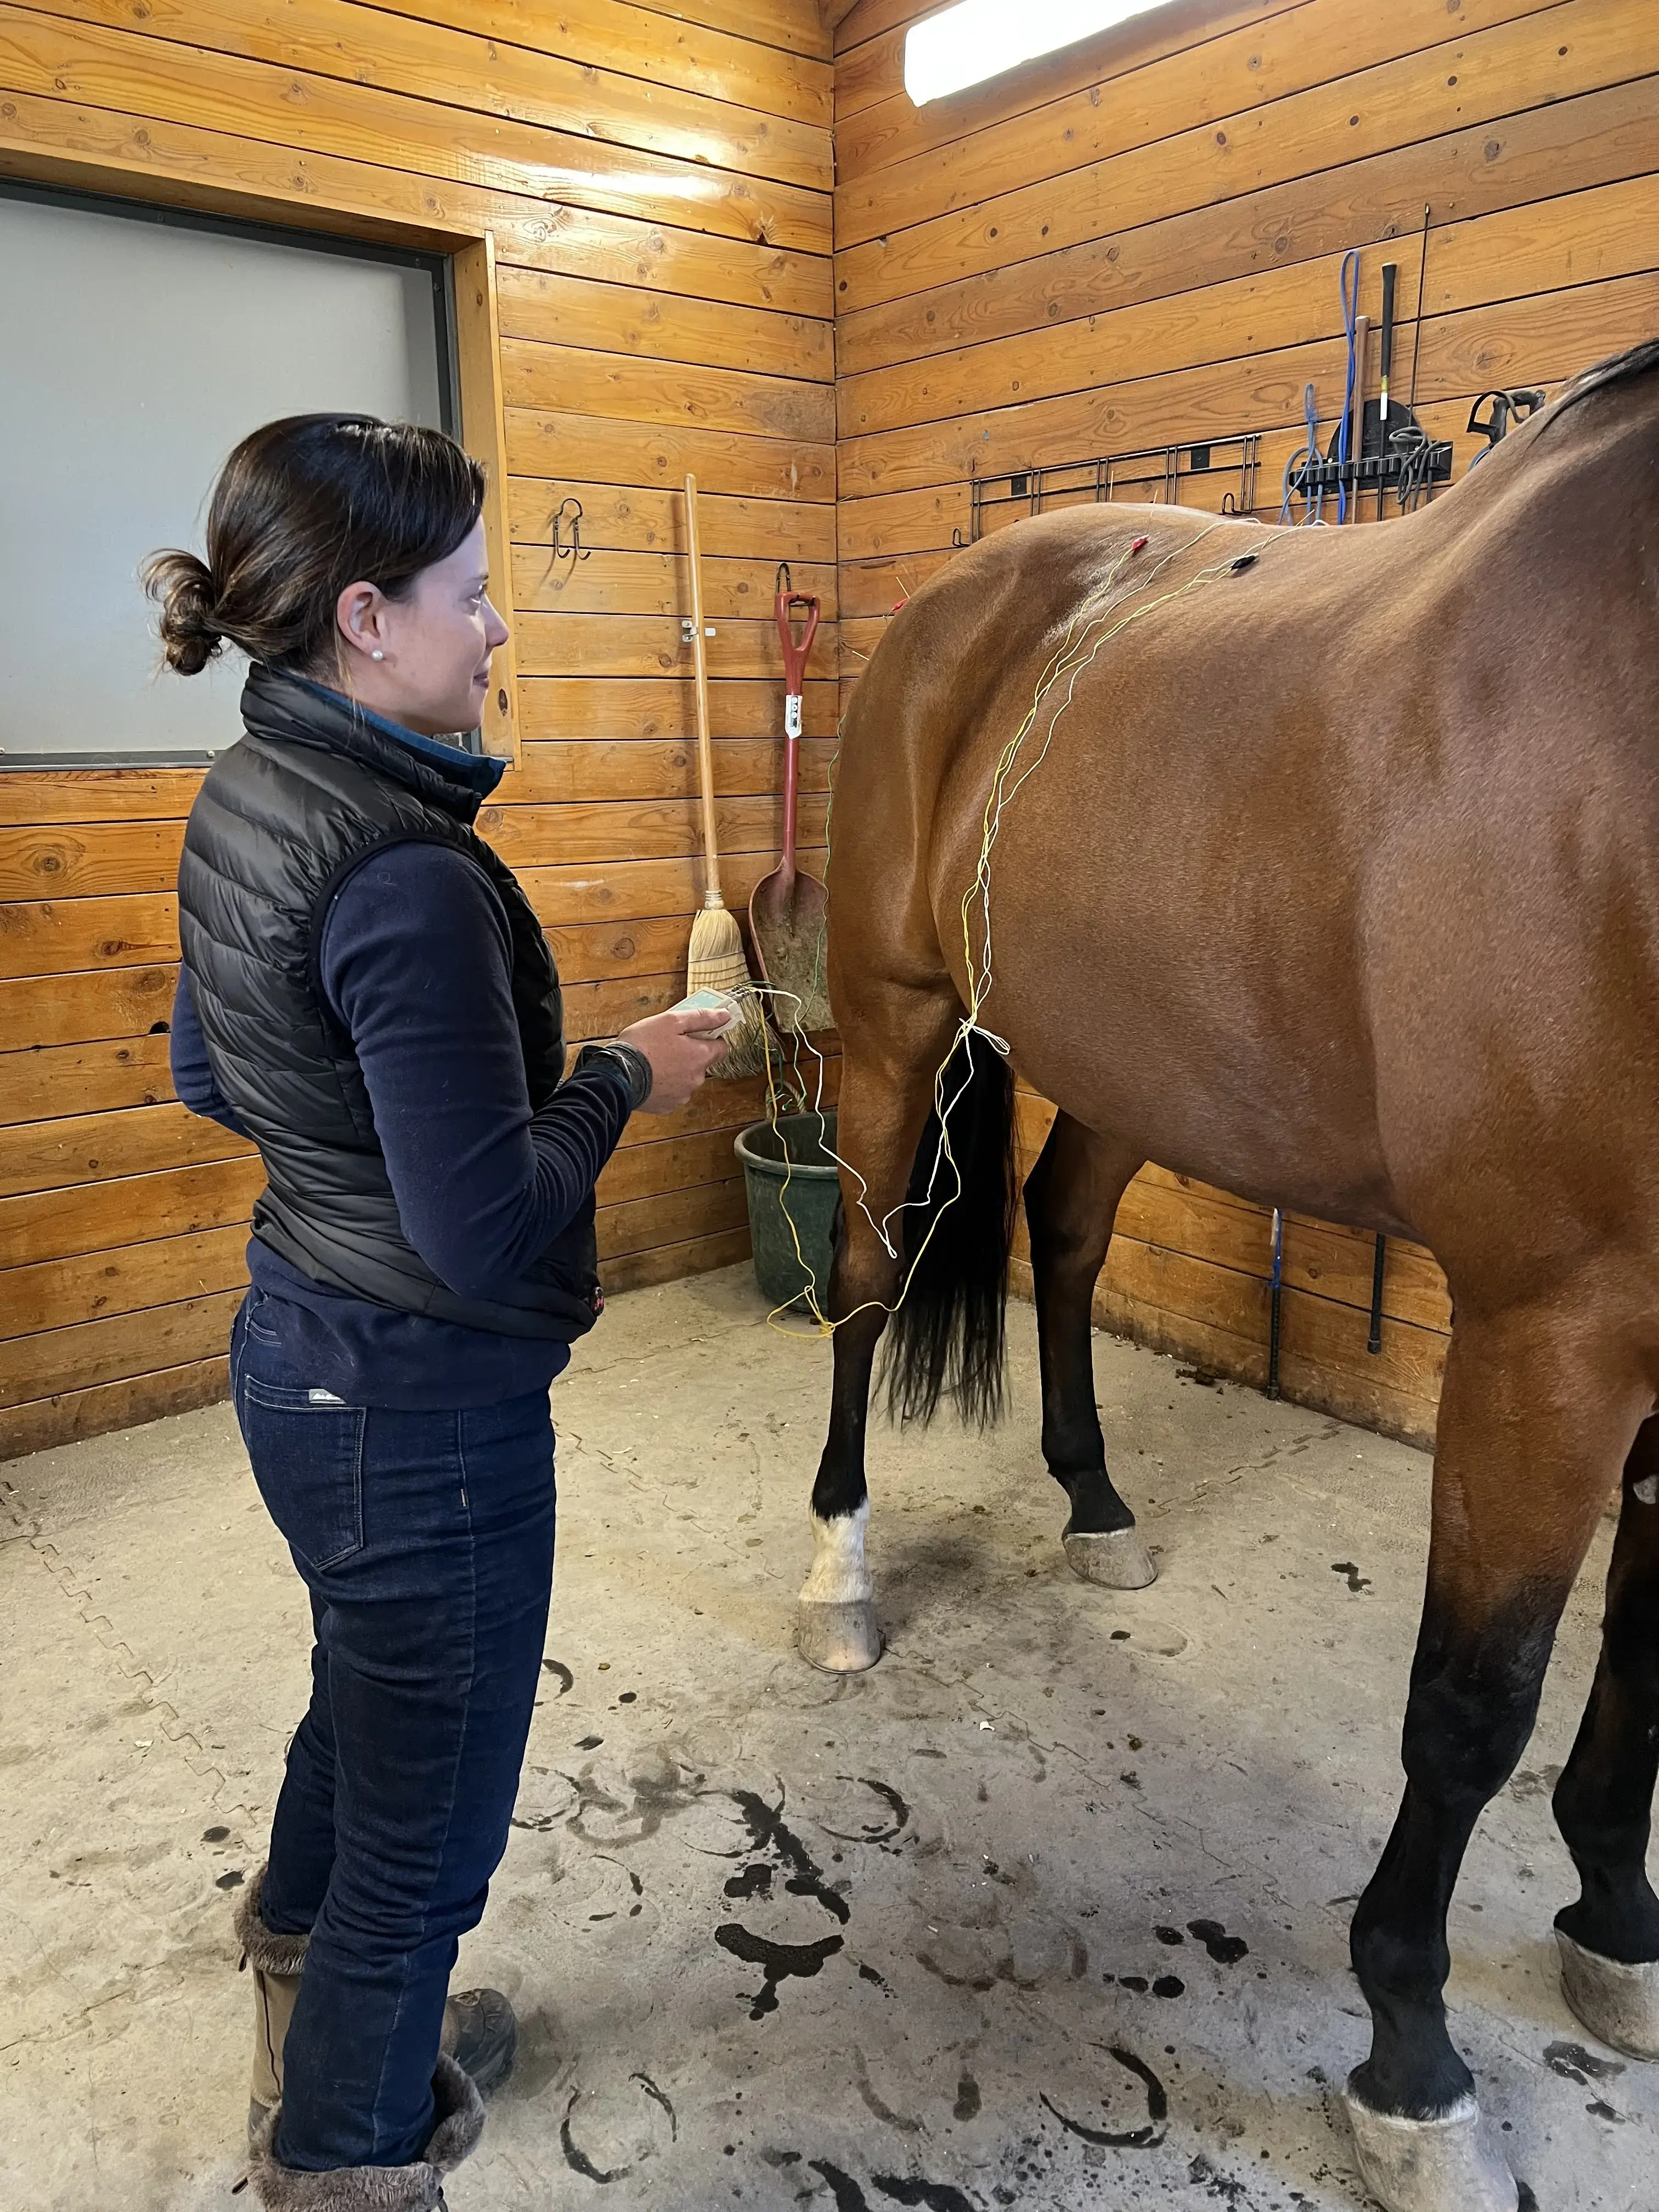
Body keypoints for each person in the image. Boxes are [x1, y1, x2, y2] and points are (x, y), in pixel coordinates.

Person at [147, 413, 730, 2210]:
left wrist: (356, 1168)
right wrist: (623, 1073)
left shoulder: (253, 786)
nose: (498, 632)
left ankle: (303, 1956)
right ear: (367, 619)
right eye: (476, 598)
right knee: (434, 1832)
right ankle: (344, 2150)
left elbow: (205, 1070)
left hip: (295, 1355)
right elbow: (483, 1232)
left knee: (369, 1696)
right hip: (420, 1417)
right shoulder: (402, 873)